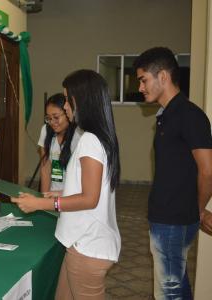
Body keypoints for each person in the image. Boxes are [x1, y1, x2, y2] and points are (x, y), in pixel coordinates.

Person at [12, 69, 121, 299]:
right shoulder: (100, 136)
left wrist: (42, 204)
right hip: (80, 243)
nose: (67, 109)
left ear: (81, 100)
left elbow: (89, 199)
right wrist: (57, 194)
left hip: (88, 247)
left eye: (68, 101)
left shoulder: (89, 140)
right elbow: (87, 189)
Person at [133, 47, 212, 299]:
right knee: (177, 286)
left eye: (144, 79)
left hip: (173, 221)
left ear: (163, 77)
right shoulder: (166, 115)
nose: (141, 87)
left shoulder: (190, 115)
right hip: (167, 217)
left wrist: (197, 210)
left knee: (169, 293)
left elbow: (208, 171)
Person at [38, 93, 81, 193]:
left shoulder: (79, 136)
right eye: (49, 118)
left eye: (56, 117)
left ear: (67, 113)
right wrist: (45, 198)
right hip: (53, 194)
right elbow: (45, 168)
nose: (52, 122)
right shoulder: (45, 130)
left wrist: (63, 195)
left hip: (72, 195)